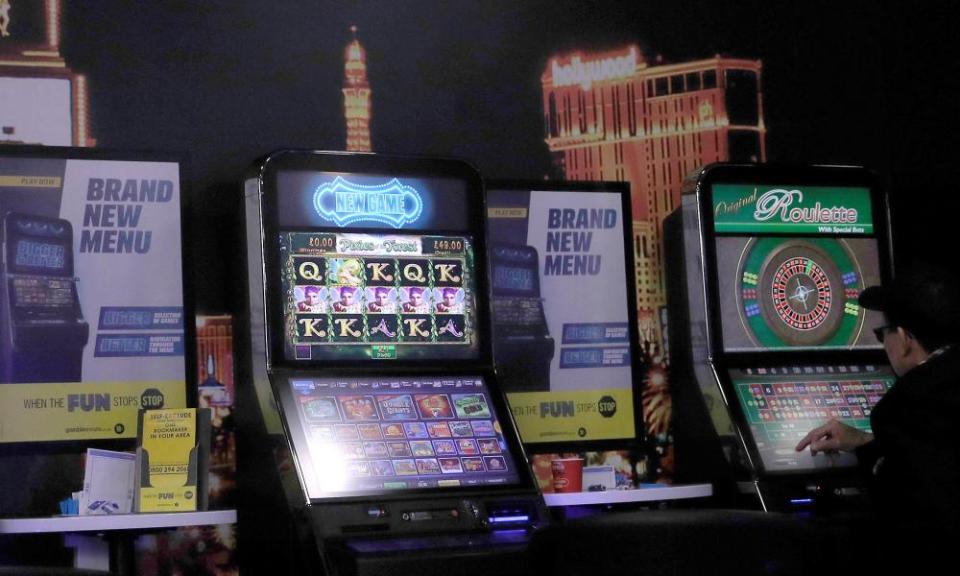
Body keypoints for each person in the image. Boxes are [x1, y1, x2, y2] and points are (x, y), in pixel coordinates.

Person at [795, 262, 960, 566]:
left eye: (882, 333)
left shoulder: (906, 404)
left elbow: (904, 518)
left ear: (905, 339)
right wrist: (866, 442)